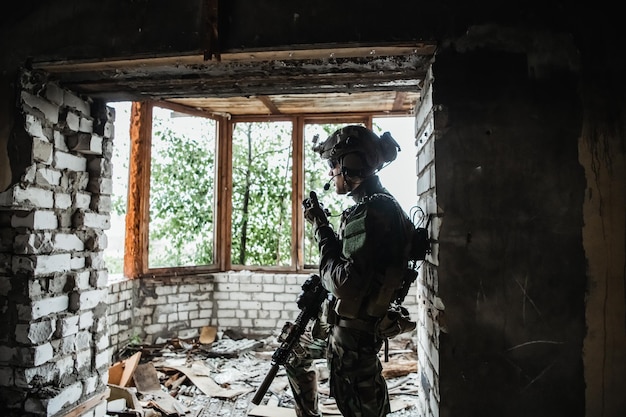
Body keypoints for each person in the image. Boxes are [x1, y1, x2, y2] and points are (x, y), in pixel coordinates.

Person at [285, 125, 415, 417]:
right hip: (342, 324)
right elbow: (352, 266)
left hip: (354, 335)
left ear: (350, 166)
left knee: (360, 408)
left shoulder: (374, 211)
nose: (331, 173)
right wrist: (322, 226)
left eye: (334, 164)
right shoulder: (374, 206)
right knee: (293, 352)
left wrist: (320, 230)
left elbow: (344, 282)